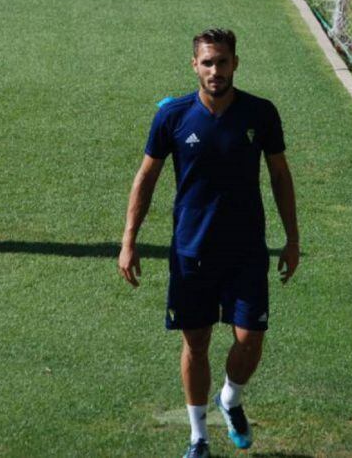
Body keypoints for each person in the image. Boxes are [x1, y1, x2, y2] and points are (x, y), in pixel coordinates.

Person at [118, 29, 300, 458]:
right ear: (194, 66)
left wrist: (292, 239)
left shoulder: (260, 113)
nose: (215, 70)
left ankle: (230, 398)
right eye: (207, 62)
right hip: (192, 252)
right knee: (195, 343)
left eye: (222, 61)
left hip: (246, 251)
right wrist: (129, 240)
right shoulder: (173, 116)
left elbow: (279, 175)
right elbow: (146, 178)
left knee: (250, 338)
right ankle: (198, 437)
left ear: (235, 63)